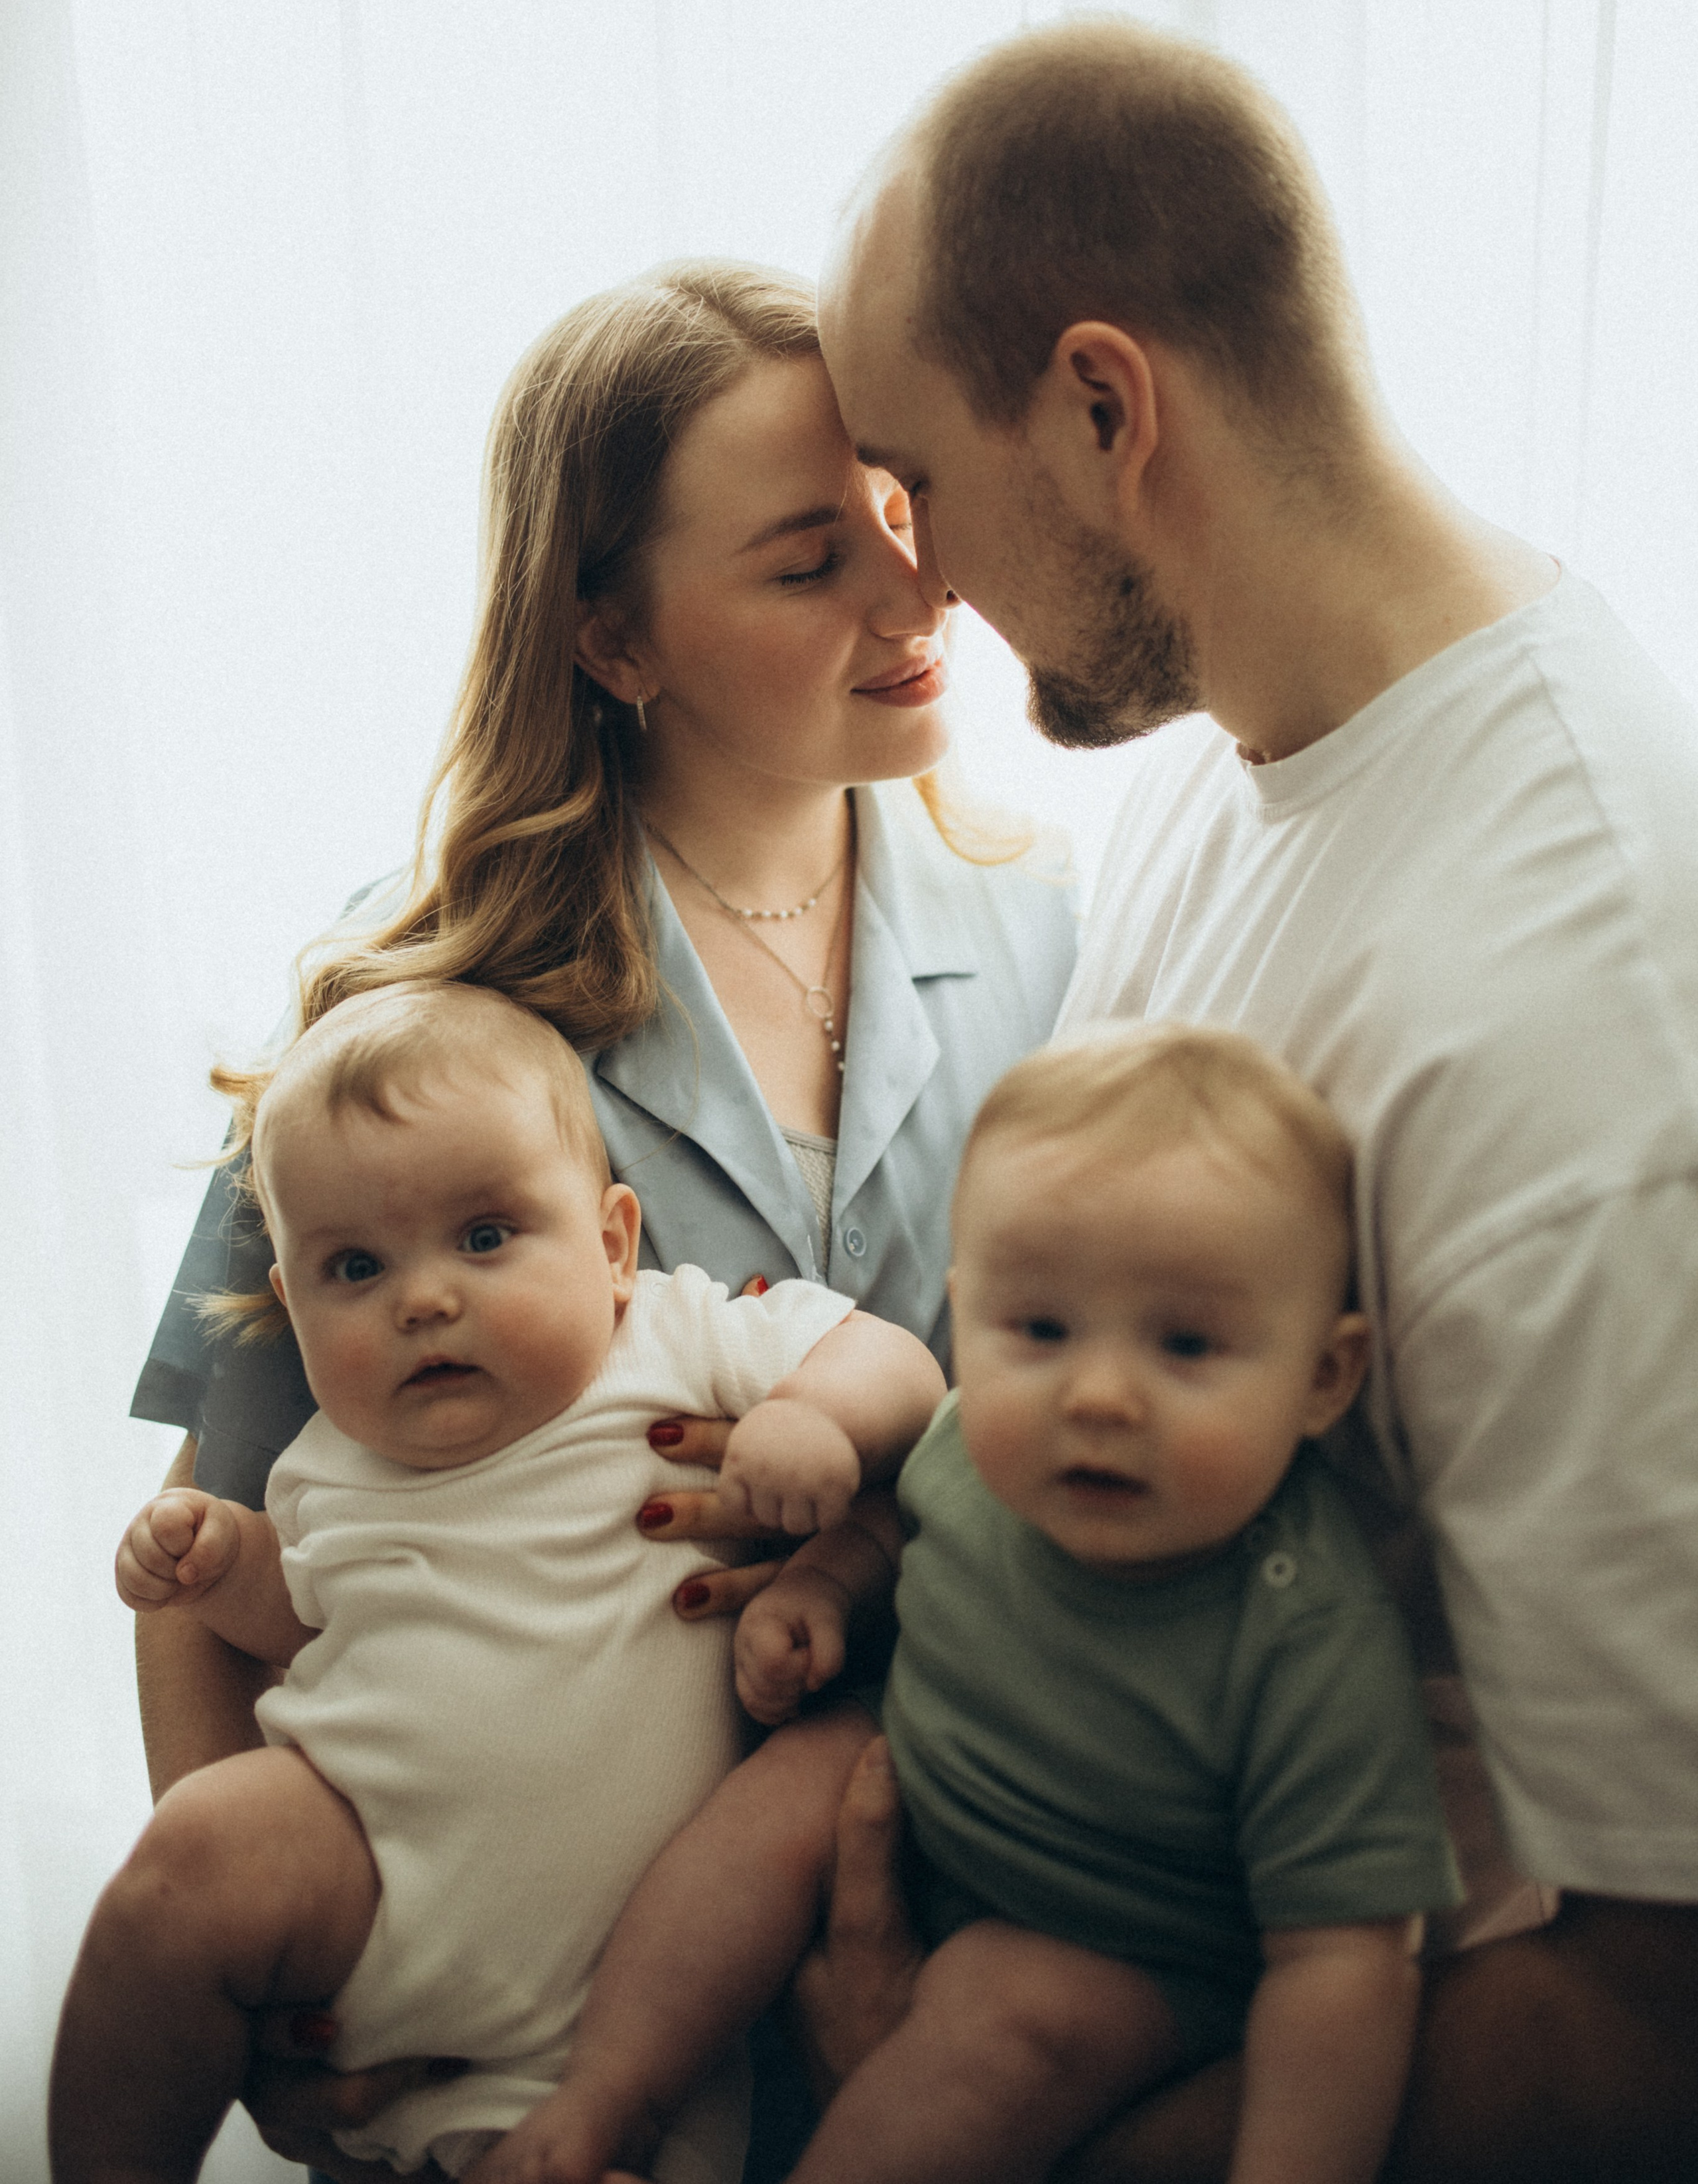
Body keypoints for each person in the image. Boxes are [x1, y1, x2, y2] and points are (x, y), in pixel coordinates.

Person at [807, 17, 1698, 2181]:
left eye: (918, 474)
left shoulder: (1579, 1013)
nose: (913, 574)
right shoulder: (1242, 752)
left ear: (1107, 407)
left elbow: (1651, 2017)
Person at [123, 262, 1076, 2169]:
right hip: (499, 2013)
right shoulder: (405, 1014)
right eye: (811, 564)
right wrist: (266, 2023)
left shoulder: (1048, 929)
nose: (915, 597)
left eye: (899, 516)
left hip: (935, 1942)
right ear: (614, 638)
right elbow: (206, 1561)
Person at [465, 1024, 1461, 2184]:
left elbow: (1347, 1960)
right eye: (1037, 1330)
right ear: (966, 1311)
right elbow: (906, 1523)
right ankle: (604, 2099)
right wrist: (828, 1590)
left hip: (1120, 1943)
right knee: (775, 1798)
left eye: (1186, 1345)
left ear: (1324, 1378)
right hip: (922, 1781)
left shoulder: (1305, 1627)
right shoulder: (980, 1449)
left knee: (1000, 2017)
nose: (1095, 1395)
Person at [61, 980, 945, 2184]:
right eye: (356, 1269)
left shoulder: (678, 1341)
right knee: (188, 1870)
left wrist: (820, 1420)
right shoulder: (328, 1462)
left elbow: (896, 1363)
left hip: (628, 1998)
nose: (424, 1299)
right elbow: (301, 1611)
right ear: (293, 1306)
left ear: (614, 1244)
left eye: (485, 1238)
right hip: (367, 1877)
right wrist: (213, 1564)